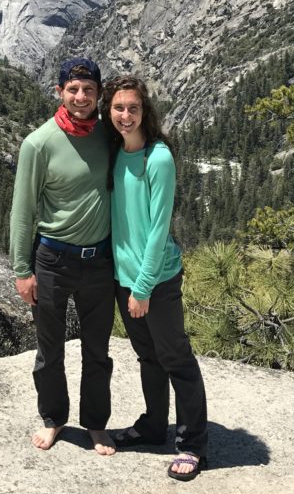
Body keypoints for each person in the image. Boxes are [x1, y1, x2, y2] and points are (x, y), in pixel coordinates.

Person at [100, 75, 208, 482]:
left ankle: (193, 443)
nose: (125, 116)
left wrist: (143, 286)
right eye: (118, 108)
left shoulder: (157, 158)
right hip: (123, 278)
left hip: (155, 280)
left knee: (176, 359)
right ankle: (153, 425)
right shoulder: (115, 153)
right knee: (149, 357)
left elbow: (159, 229)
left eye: (133, 108)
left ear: (145, 112)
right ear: (108, 112)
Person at [9, 57, 116, 455]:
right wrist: (22, 269)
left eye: (89, 90)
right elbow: (23, 209)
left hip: (100, 261)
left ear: (99, 94)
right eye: (73, 90)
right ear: (59, 93)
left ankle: (96, 424)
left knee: (98, 351)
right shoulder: (39, 143)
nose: (81, 97)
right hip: (52, 259)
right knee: (49, 350)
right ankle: (53, 419)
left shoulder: (109, 136)